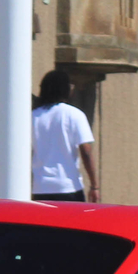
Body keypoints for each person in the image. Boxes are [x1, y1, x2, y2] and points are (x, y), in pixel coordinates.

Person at [30, 70, 98, 202]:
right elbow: (86, 151)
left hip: (41, 189)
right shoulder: (75, 114)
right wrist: (94, 186)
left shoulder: (33, 116)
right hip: (69, 187)